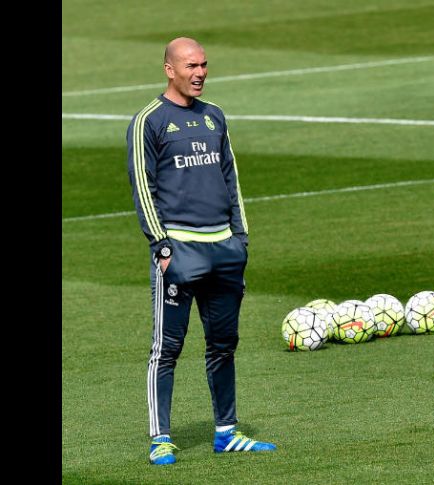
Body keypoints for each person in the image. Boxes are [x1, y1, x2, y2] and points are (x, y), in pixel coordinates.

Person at [127, 37, 276, 466]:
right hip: (180, 250)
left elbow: (232, 179)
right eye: (190, 65)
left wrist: (241, 238)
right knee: (166, 348)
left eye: (204, 65)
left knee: (223, 345)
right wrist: (161, 245)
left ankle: (226, 432)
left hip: (224, 250)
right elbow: (143, 186)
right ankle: (161, 438)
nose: (200, 73)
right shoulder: (149, 121)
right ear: (169, 69)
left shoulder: (215, 118)